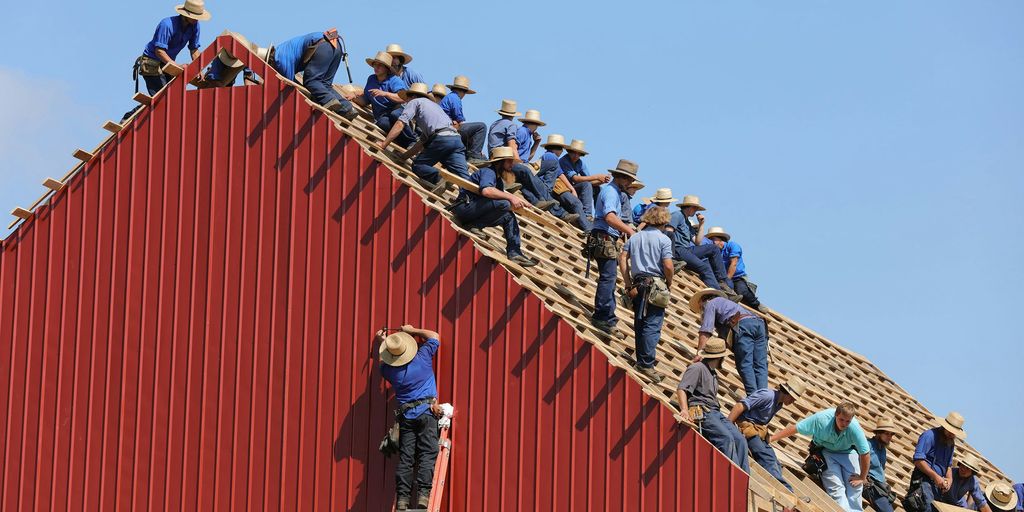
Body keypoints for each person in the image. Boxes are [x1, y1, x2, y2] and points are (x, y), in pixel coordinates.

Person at [376, 325, 444, 510]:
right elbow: (434, 336)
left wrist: (384, 343)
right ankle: (423, 496)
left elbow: (383, 361)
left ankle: (403, 499)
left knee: (406, 459)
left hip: (406, 417)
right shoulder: (422, 359)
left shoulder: (390, 372)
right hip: (426, 413)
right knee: (427, 455)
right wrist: (413, 329)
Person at [771, 402, 872, 512]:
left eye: (848, 421)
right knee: (836, 487)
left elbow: (865, 453)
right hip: (826, 452)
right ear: (836, 414)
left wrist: (862, 477)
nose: (844, 424)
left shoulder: (854, 428)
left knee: (854, 486)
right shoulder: (821, 419)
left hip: (847, 453)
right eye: (841, 419)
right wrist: (771, 439)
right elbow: (796, 428)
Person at [122, 0, 210, 121]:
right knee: (162, 98)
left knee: (172, 97)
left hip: (167, 63)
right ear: (186, 14)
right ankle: (129, 118)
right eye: (195, 17)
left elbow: (194, 50)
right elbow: (159, 51)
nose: (197, 20)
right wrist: (177, 66)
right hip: (151, 62)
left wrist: (198, 69)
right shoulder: (167, 24)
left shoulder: (195, 26)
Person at [450, 147, 538, 267]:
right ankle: (474, 226)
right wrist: (511, 198)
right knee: (505, 204)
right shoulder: (488, 172)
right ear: (500, 162)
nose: (512, 165)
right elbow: (487, 191)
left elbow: (500, 194)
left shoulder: (498, 179)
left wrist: (520, 201)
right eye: (509, 161)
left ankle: (514, 252)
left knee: (508, 216)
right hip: (465, 208)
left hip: (475, 210)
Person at [675, 337, 750, 472]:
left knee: (740, 440)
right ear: (720, 357)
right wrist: (685, 410)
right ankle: (732, 477)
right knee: (726, 439)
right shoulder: (697, 368)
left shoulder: (713, 373)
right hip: (703, 412)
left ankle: (744, 477)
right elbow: (681, 389)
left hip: (715, 412)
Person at [377, 83, 469, 190]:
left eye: (407, 98)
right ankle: (470, 199)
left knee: (418, 166)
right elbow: (421, 142)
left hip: (441, 139)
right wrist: (404, 157)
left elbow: (400, 123)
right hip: (456, 140)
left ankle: (440, 178)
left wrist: (384, 144)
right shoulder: (434, 108)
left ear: (413, 96)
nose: (406, 102)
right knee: (464, 179)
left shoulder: (415, 102)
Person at [620, 206, 674, 382]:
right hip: (655, 284)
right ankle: (646, 364)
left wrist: (628, 283)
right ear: (664, 221)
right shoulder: (664, 240)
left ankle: (641, 360)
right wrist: (669, 282)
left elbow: (622, 258)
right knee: (652, 325)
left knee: (640, 323)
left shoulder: (635, 237)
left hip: (637, 283)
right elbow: (667, 265)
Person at [726, 378, 807, 491]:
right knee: (765, 456)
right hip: (747, 428)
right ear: (787, 392)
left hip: (758, 431)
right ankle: (785, 489)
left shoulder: (779, 404)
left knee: (774, 460)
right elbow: (740, 406)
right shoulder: (767, 396)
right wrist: (727, 425)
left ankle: (780, 485)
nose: (793, 401)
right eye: (793, 398)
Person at [589, 160, 639, 334]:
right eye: (629, 180)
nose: (631, 184)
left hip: (606, 237)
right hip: (604, 237)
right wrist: (630, 231)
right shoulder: (611, 192)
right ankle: (602, 316)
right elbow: (609, 218)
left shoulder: (615, 192)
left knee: (608, 277)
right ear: (623, 178)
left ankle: (607, 316)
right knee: (608, 278)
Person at [688, 288, 768, 394]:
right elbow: (723, 339)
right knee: (760, 364)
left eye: (700, 306)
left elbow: (706, 331)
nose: (701, 310)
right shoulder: (727, 305)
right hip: (760, 324)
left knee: (745, 364)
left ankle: (754, 397)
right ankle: (763, 396)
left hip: (744, 325)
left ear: (703, 300)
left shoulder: (710, 304)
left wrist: (699, 353)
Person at [267, 29, 357, 118]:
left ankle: (329, 100)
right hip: (336, 46)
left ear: (270, 61)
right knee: (325, 85)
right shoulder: (284, 49)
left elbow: (290, 85)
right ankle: (348, 108)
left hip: (323, 46)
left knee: (311, 81)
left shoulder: (279, 59)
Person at [485, 101, 557, 209]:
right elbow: (512, 147)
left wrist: (536, 143)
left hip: (514, 161)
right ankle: (546, 198)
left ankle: (539, 200)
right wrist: (517, 162)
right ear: (536, 125)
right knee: (531, 172)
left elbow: (528, 157)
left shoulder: (526, 134)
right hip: (510, 160)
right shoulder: (521, 131)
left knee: (524, 177)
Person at [668, 196, 741, 300]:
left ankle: (722, 283)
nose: (696, 211)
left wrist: (702, 225)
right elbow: (668, 232)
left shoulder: (687, 222)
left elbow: (697, 242)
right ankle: (719, 295)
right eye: (695, 208)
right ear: (690, 207)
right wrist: (670, 254)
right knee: (704, 267)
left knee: (713, 250)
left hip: (686, 250)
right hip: (678, 249)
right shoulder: (677, 215)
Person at [353, 51, 415, 147]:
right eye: (375, 65)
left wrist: (385, 94)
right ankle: (403, 143)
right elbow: (366, 99)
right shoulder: (371, 79)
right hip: (382, 116)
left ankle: (412, 141)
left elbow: (403, 98)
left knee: (395, 114)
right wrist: (354, 97)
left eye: (380, 65)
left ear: (387, 68)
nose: (376, 68)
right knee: (382, 123)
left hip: (396, 111)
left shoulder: (394, 80)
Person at [908, 412, 967, 511]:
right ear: (944, 427)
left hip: (937, 486)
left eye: (954, 433)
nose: (951, 435)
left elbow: (948, 466)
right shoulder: (929, 436)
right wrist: (935, 476)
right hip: (923, 480)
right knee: (927, 508)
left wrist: (949, 479)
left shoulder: (950, 443)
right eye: (950, 431)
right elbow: (918, 461)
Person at [704, 226, 767, 313]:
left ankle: (756, 304)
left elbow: (733, 264)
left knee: (742, 291)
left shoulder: (732, 246)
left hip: (737, 277)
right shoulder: (715, 251)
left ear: (719, 239)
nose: (711, 242)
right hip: (724, 278)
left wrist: (727, 280)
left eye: (712, 240)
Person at [534, 134, 586, 229]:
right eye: (561, 149)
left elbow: (560, 174)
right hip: (544, 187)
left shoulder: (548, 156)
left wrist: (571, 189)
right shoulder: (552, 157)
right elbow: (560, 174)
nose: (562, 151)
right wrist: (572, 189)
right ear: (556, 149)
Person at [437, 76, 488, 165]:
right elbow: (459, 119)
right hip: (448, 128)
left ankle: (470, 154)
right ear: (463, 92)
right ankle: (474, 155)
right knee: (481, 126)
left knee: (469, 132)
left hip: (444, 127)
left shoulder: (450, 97)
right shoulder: (455, 98)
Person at [560, 139, 609, 223]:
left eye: (578, 153)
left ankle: (600, 216)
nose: (575, 155)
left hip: (574, 188)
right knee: (586, 184)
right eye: (573, 152)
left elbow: (589, 181)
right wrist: (597, 176)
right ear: (569, 152)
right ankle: (587, 214)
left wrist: (602, 181)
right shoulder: (564, 160)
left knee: (598, 188)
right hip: (564, 189)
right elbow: (575, 178)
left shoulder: (580, 163)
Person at [864, 419, 898, 512]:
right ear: (878, 433)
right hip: (871, 486)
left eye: (891, 434)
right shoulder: (867, 445)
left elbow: (881, 470)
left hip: (881, 488)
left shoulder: (883, 449)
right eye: (887, 434)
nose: (890, 437)